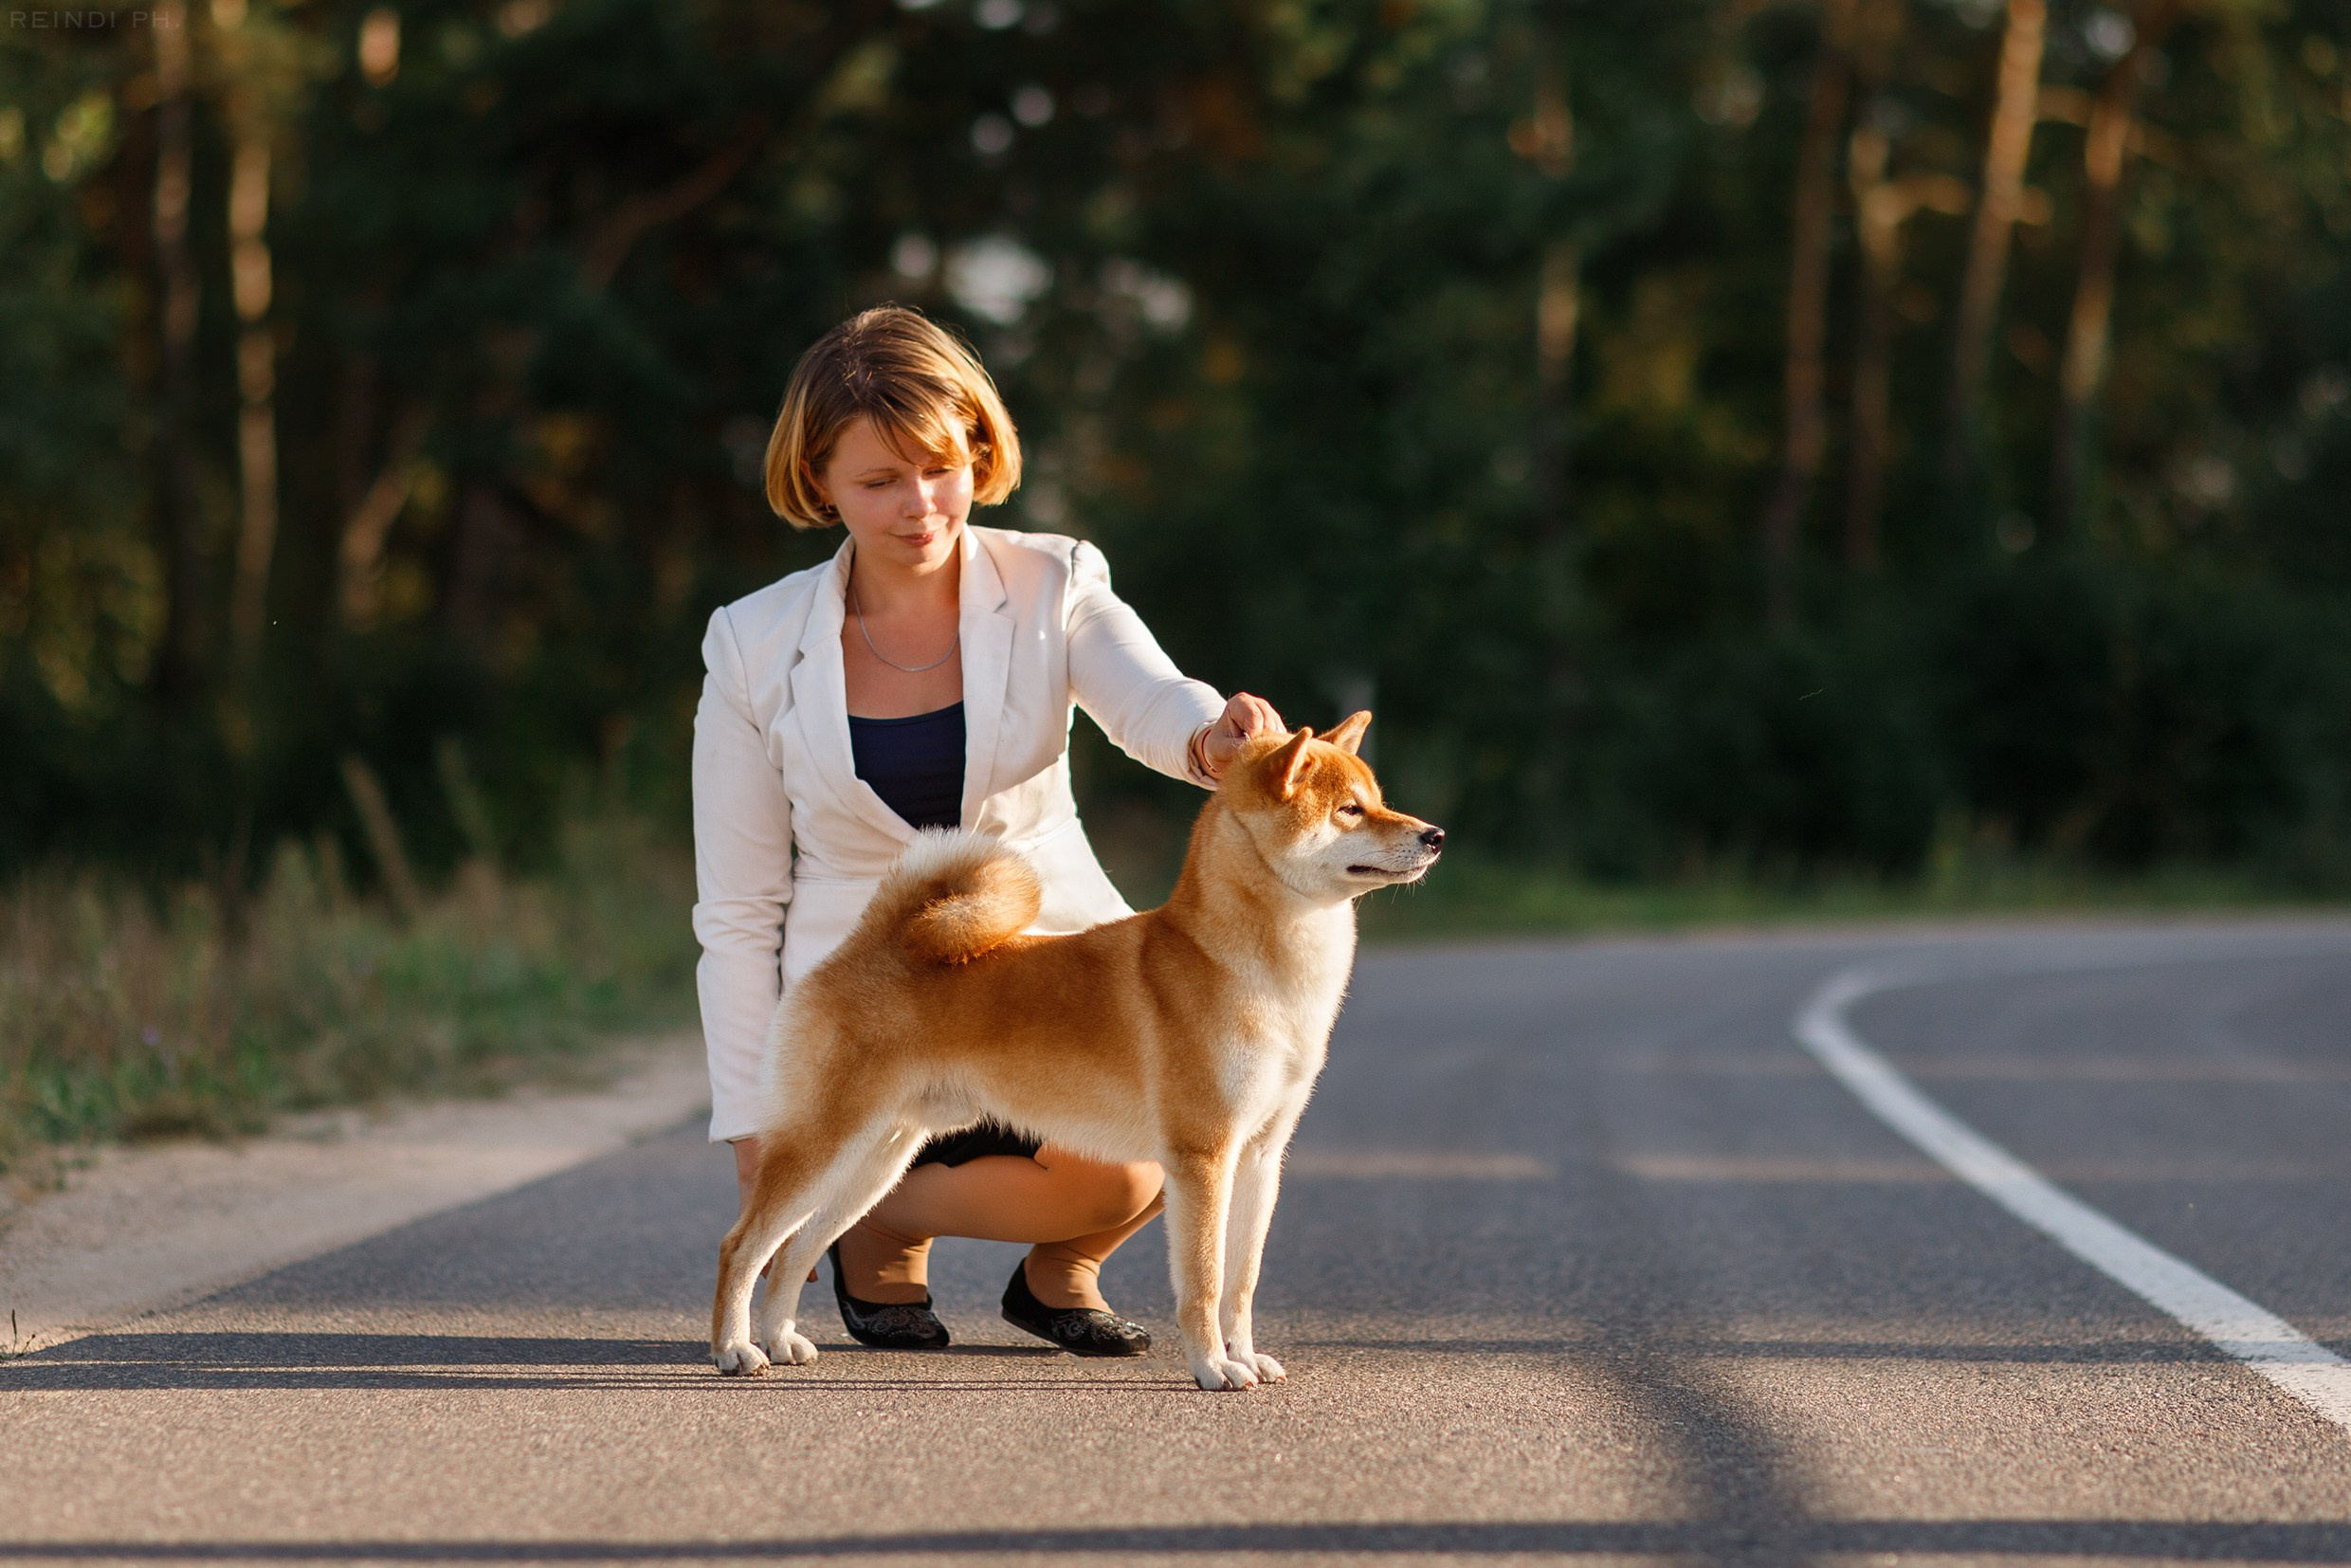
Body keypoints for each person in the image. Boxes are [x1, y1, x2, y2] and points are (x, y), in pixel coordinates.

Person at [692, 304, 1282, 1357]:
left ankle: (1049, 1265)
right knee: (840, 1150)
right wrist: (754, 1127)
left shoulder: (1053, 579)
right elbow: (737, 909)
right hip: (874, 993)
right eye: (877, 481)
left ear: (979, 449)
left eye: (941, 466)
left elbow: (1152, 702)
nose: (920, 505)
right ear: (816, 479)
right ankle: (857, 1218)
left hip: (1053, 975)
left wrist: (1214, 742)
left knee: (1159, 1152)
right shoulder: (750, 642)